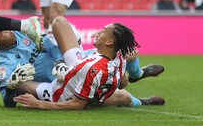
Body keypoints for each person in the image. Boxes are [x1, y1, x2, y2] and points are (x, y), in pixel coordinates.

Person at [0, 18, 164, 108]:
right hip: (56, 87)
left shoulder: (28, 31)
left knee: (126, 68)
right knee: (4, 84)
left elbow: (62, 31)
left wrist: (64, 61)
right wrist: (13, 83)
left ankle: (137, 73)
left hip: (71, 71)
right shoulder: (5, 61)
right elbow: (8, 95)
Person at [11, 16, 163, 110]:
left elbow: (76, 105)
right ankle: (138, 75)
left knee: (16, 83)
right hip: (81, 72)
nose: (98, 32)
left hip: (61, 91)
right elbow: (122, 81)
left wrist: (40, 104)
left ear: (109, 42)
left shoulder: (93, 68)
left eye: (103, 31)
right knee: (58, 21)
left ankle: (141, 99)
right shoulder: (118, 55)